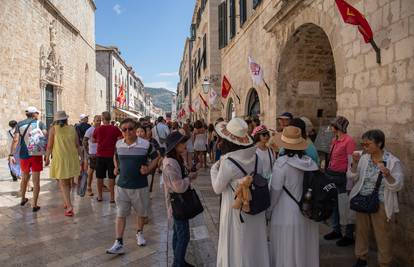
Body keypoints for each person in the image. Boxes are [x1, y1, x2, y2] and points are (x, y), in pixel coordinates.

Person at [211, 118, 270, 267]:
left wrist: (213, 169)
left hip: (236, 210)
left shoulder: (228, 162)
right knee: (253, 243)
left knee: (236, 243)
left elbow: (217, 188)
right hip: (255, 208)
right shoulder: (257, 157)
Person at [348, 130, 404, 267]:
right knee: (361, 231)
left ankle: (384, 263)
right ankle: (361, 258)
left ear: (379, 143)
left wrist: (387, 174)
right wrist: (354, 163)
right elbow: (352, 176)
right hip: (362, 199)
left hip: (381, 203)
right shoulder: (363, 157)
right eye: (363, 144)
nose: (364, 147)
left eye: (368, 144)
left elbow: (397, 185)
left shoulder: (392, 161)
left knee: (383, 235)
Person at [106, 118, 161, 254]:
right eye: (124, 129)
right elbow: (115, 156)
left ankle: (139, 232)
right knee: (120, 214)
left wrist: (148, 169)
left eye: (130, 128)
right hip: (122, 186)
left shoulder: (145, 144)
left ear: (135, 129)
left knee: (141, 213)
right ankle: (118, 242)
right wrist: (116, 167)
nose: (127, 132)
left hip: (140, 186)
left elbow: (156, 157)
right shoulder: (119, 144)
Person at [268, 126, 320, 267]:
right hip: (307, 211)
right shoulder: (311, 163)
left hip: (286, 212)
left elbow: (275, 191)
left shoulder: (281, 164)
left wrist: (269, 210)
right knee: (305, 248)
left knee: (287, 249)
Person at [162, 131, 197, 267]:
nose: (185, 145)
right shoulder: (170, 164)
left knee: (178, 233)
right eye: (182, 143)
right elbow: (178, 187)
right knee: (183, 236)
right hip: (177, 204)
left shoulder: (175, 159)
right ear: (176, 146)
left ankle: (179, 261)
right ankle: (178, 263)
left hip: (178, 203)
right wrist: (190, 178)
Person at [324, 116, 356, 246]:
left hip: (342, 177)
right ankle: (336, 230)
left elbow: (350, 162)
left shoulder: (349, 141)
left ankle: (348, 235)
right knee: (334, 205)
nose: (331, 127)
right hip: (332, 174)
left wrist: (349, 183)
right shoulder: (334, 139)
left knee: (344, 206)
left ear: (338, 127)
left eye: (333, 125)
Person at [9, 106, 47, 212]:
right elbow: (45, 135)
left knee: (25, 177)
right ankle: (34, 204)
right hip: (36, 154)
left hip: (24, 155)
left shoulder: (19, 124)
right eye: (37, 113)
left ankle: (22, 198)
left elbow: (16, 139)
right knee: (36, 180)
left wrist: (11, 154)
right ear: (34, 114)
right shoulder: (40, 123)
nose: (38, 115)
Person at [45, 111, 81, 217]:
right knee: (68, 182)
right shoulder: (72, 128)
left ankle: (69, 206)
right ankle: (66, 202)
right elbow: (77, 145)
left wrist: (47, 158)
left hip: (60, 159)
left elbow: (49, 146)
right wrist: (82, 158)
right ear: (66, 119)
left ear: (56, 120)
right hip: (72, 159)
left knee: (63, 183)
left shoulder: (53, 129)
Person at [92, 111, 122, 202]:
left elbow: (93, 140)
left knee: (99, 177)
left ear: (102, 119)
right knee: (111, 177)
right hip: (111, 156)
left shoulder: (98, 129)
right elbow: (121, 138)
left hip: (100, 155)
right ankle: (112, 198)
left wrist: (100, 141)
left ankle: (100, 196)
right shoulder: (115, 129)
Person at [83, 115, 101, 196]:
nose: (99, 122)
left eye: (100, 120)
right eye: (97, 120)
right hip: (93, 153)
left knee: (100, 171)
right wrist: (87, 153)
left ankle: (101, 186)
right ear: (94, 121)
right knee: (91, 171)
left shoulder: (101, 129)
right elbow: (84, 141)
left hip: (100, 153)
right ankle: (89, 187)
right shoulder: (90, 130)